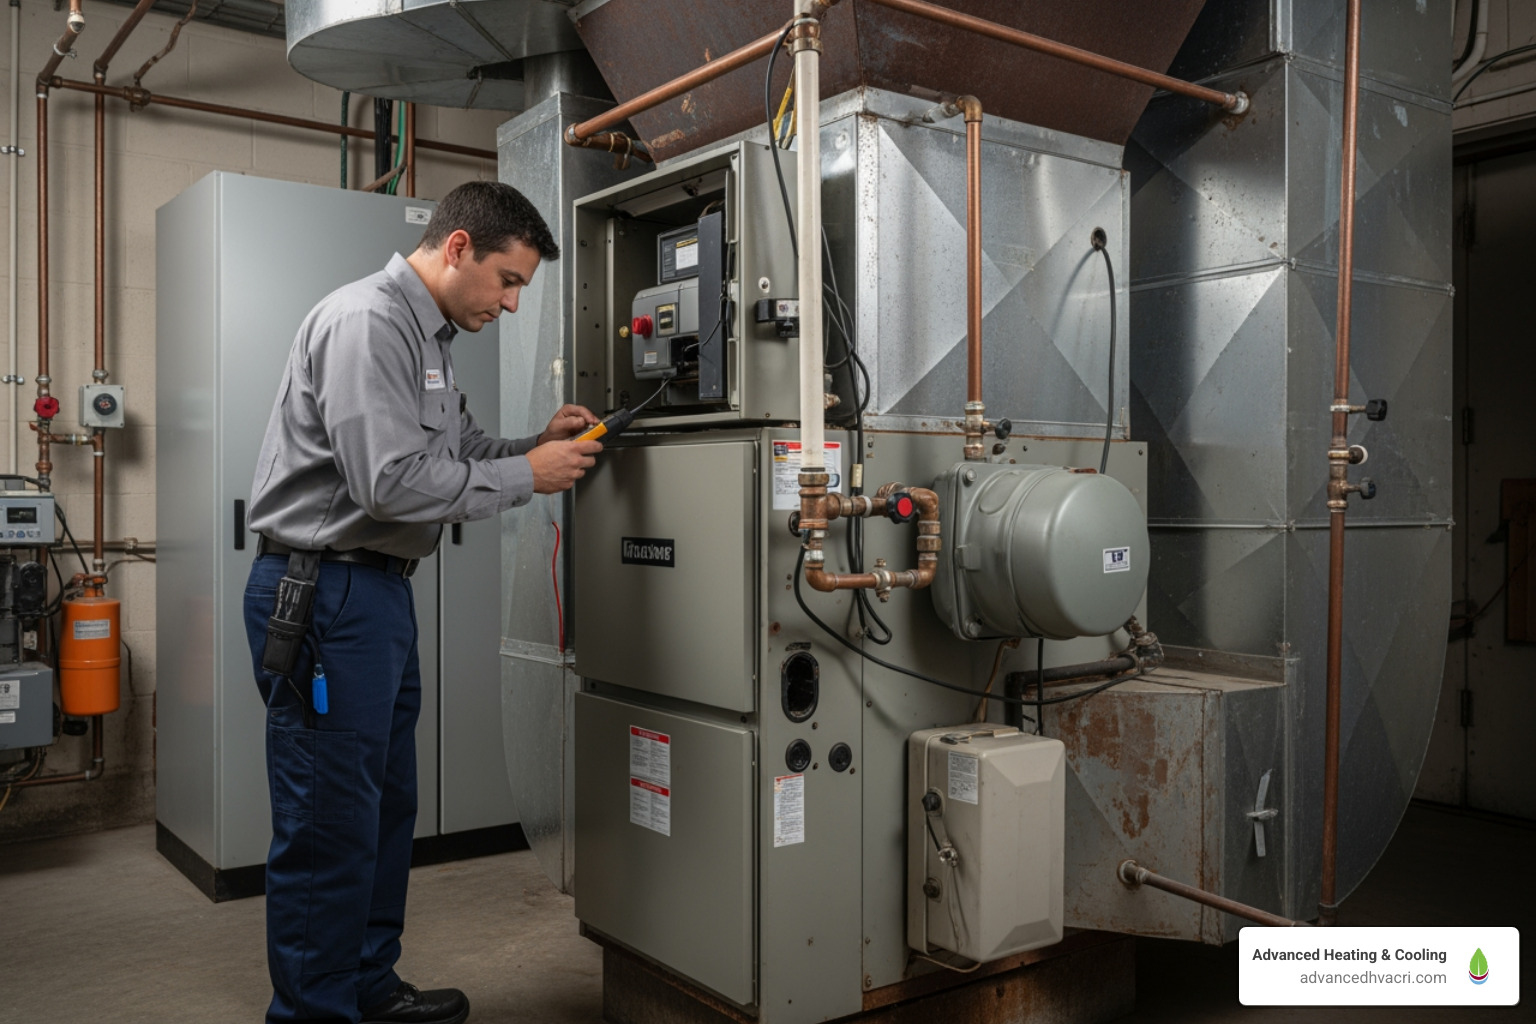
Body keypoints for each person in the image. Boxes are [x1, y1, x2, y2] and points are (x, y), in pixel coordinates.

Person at [242, 181, 601, 1024]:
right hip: (325, 592)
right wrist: (527, 479)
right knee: (329, 820)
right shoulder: (368, 322)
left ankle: (366, 983)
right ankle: (313, 1012)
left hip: (375, 594)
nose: (513, 305)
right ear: (458, 248)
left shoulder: (428, 335)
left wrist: (533, 445)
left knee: (382, 805)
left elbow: (458, 447)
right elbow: (389, 480)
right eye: (509, 282)